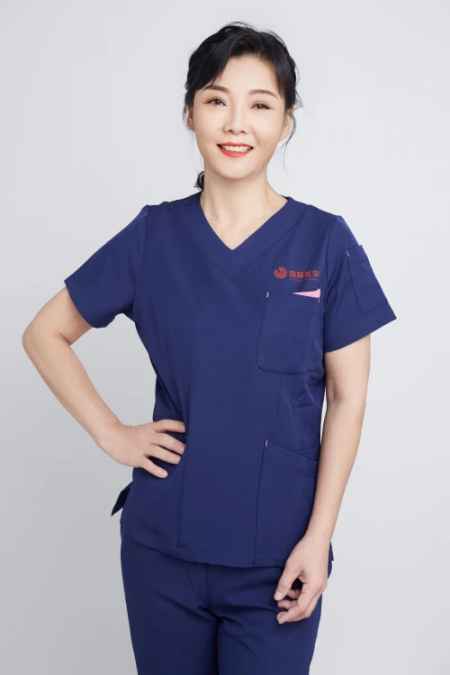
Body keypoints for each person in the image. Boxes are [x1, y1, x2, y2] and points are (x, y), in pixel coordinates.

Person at [23, 20, 398, 675]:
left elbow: (348, 398)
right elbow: (44, 333)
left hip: (279, 560)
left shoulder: (325, 242)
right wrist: (112, 433)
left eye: (261, 104)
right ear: (190, 112)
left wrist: (319, 537)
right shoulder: (153, 236)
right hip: (163, 553)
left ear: (286, 122)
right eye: (217, 99)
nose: (236, 123)